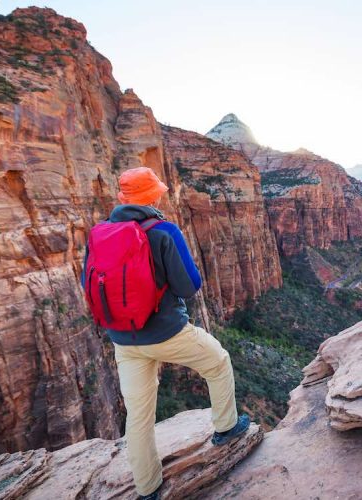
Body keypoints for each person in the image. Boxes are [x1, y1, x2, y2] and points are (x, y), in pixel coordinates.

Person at [80, 166, 250, 500]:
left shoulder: (99, 233)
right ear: (152, 195)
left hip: (124, 341)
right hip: (168, 333)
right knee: (218, 362)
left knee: (139, 416)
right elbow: (189, 286)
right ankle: (226, 428)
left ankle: (147, 489)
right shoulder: (164, 231)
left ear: (123, 198)